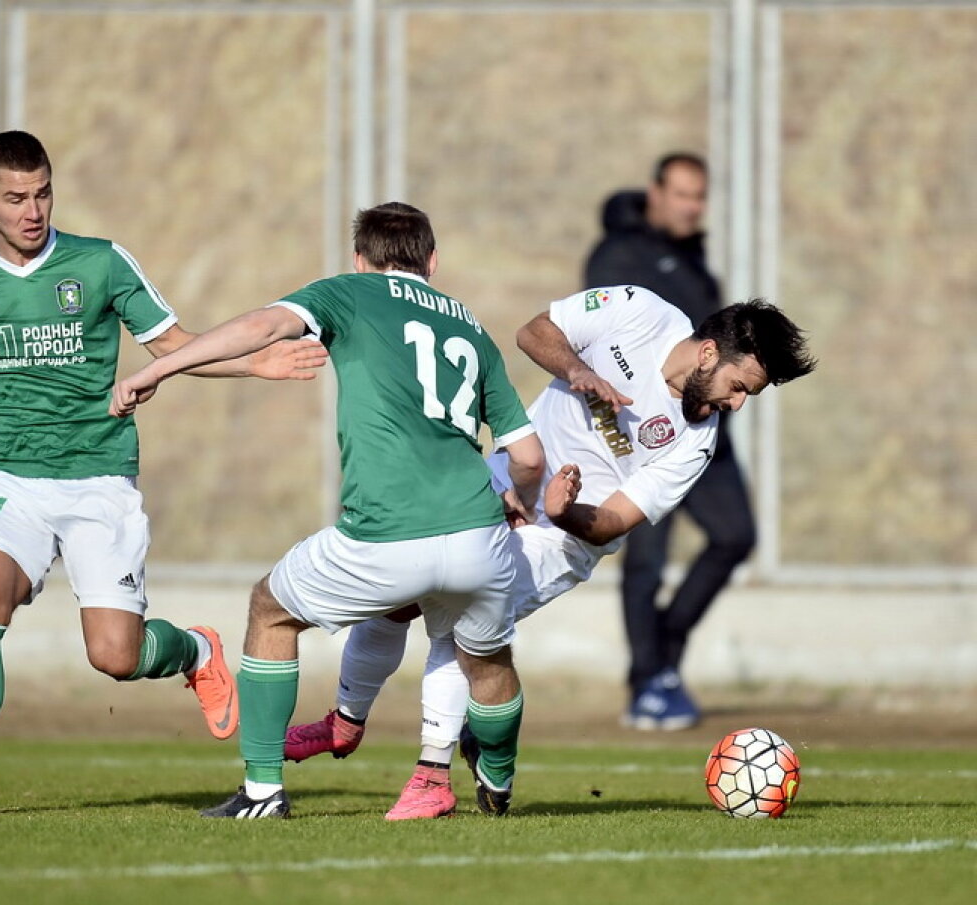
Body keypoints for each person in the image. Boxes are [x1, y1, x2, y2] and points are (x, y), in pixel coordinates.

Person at [0, 130, 327, 818]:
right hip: (12, 478)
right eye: (16, 198)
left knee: (115, 655)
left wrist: (252, 362)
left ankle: (192, 649)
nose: (33, 210)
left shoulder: (100, 263)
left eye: (43, 193)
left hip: (99, 479)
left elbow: (173, 345)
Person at [284, 287, 816, 820]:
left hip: (562, 540)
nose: (737, 403)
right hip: (506, 477)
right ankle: (347, 722)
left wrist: (564, 513)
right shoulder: (641, 310)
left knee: (459, 614)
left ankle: (433, 777)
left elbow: (612, 522)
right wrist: (577, 369)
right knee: (399, 592)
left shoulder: (696, 441)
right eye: (739, 386)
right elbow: (533, 332)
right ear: (707, 354)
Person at [109, 201, 547, 819]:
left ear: (360, 259)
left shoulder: (350, 291)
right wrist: (518, 505)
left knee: (271, 609)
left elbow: (264, 327)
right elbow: (527, 455)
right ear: (433, 261)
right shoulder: (472, 327)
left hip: (388, 532)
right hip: (479, 532)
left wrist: (166, 365)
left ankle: (262, 792)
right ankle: (498, 781)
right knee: (488, 660)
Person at [584, 152, 755, 729]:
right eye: (682, 194)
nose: (692, 206)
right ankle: (647, 683)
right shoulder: (618, 255)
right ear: (655, 192)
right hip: (647, 433)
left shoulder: (692, 256)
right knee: (646, 560)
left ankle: (665, 650)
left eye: (700, 196)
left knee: (736, 536)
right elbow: (604, 340)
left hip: (708, 430)